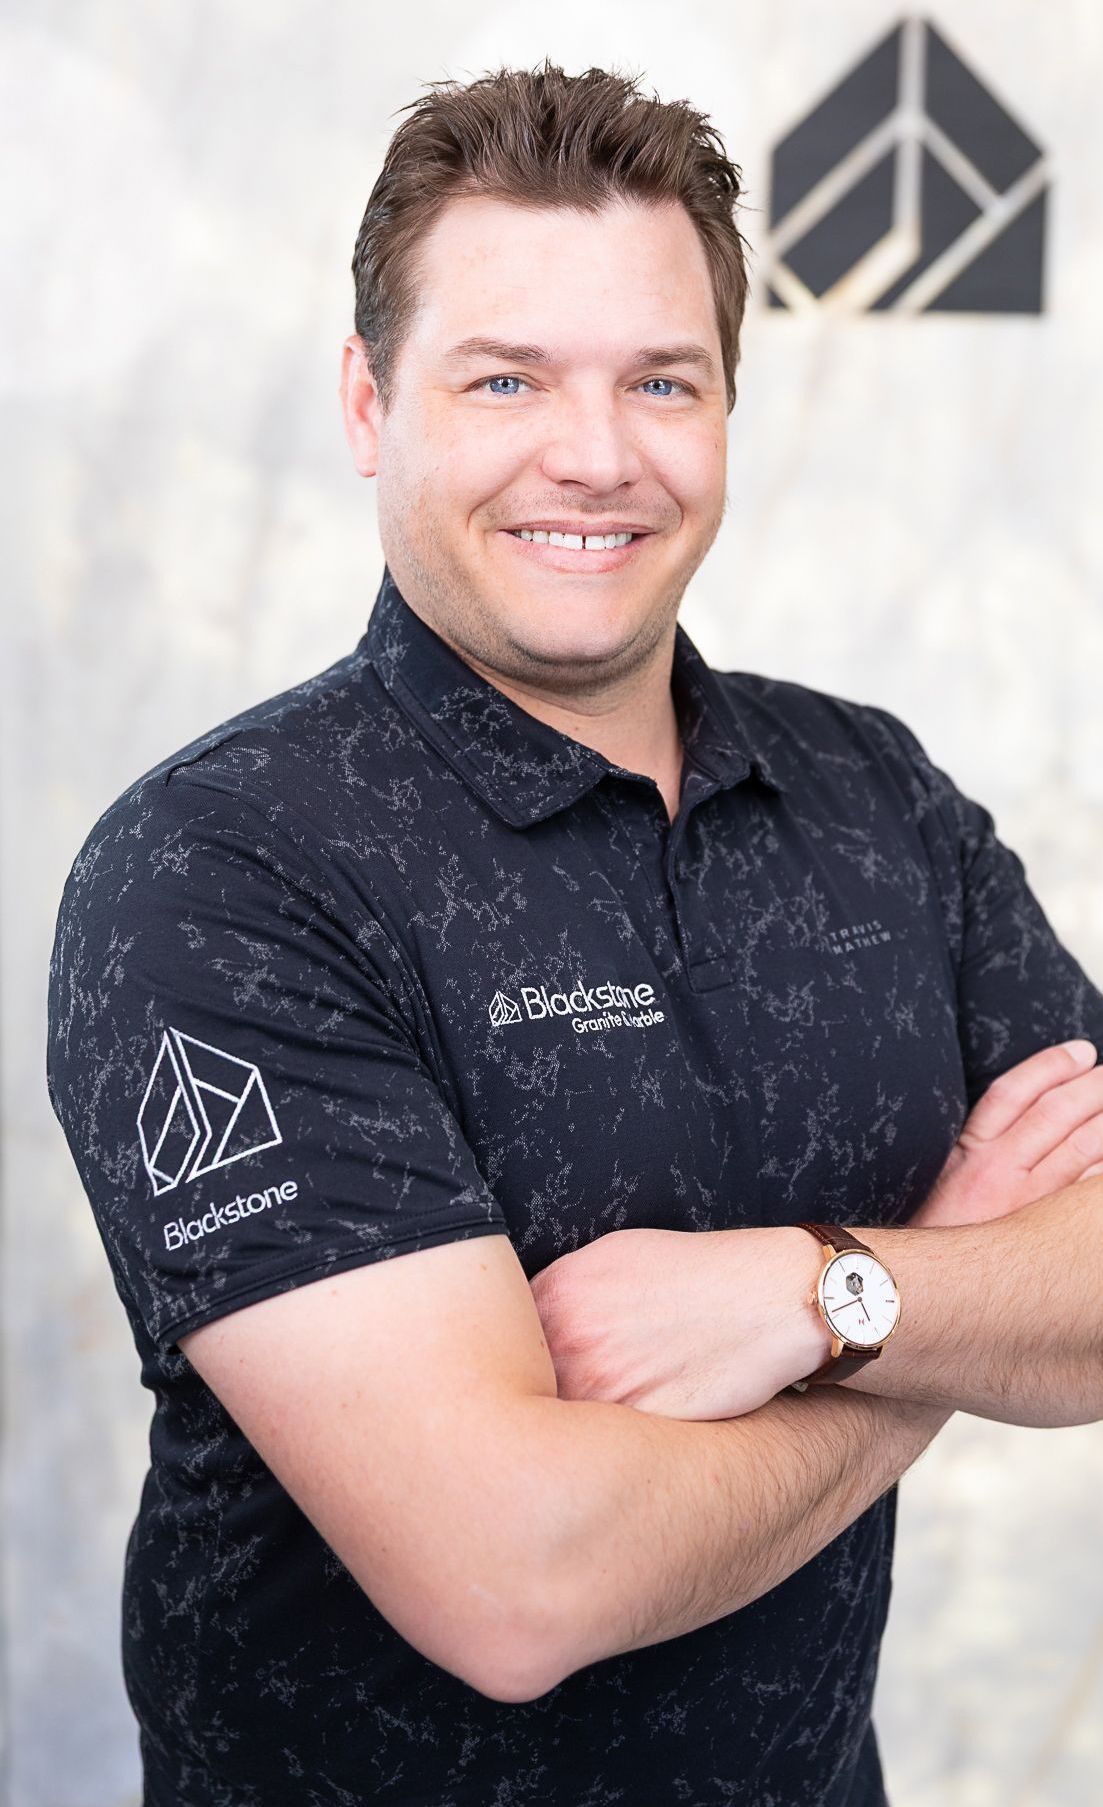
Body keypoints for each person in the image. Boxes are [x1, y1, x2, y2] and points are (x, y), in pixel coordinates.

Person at [46, 60, 1103, 1807]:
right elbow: (514, 1582)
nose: (596, 456)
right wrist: (910, 1319)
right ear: (371, 403)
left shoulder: (875, 797)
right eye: (508, 376)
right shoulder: (227, 872)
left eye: (661, 380)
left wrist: (812, 1292)